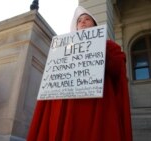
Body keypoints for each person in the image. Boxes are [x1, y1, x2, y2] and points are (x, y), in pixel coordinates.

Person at [27, 6, 132, 141]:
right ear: (76, 27)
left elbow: (118, 69)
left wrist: (98, 50)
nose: (82, 22)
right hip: (66, 107)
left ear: (94, 25)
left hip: (96, 106)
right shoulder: (63, 49)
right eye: (79, 21)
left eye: (87, 19)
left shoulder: (109, 45)